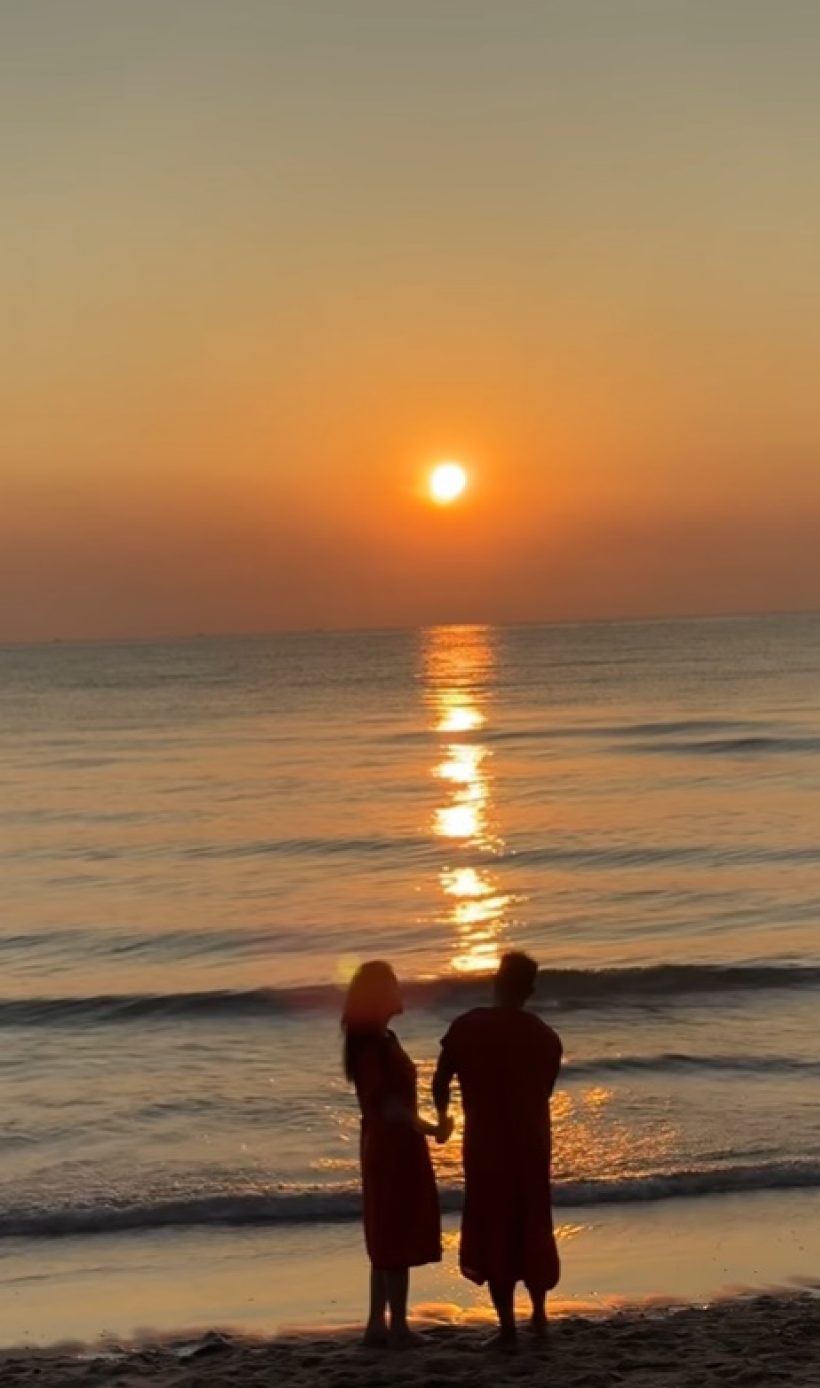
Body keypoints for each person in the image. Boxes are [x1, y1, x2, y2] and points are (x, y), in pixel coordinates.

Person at [432, 951, 562, 1349]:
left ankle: (507, 1328)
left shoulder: (467, 1027)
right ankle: (538, 1316)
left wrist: (443, 1119)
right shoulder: (545, 1037)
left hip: (487, 1145)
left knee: (495, 1226)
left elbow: (440, 1079)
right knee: (532, 1222)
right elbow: (546, 1091)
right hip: (531, 1144)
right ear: (530, 990)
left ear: (495, 981)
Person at [342, 960, 452, 1348]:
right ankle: (397, 1325)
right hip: (391, 1145)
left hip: (394, 1142)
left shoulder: (384, 1040)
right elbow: (389, 1108)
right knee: (394, 1227)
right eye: (392, 987)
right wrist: (432, 1128)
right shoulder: (373, 1047)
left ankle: (378, 1323)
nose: (399, 993)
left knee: (387, 1226)